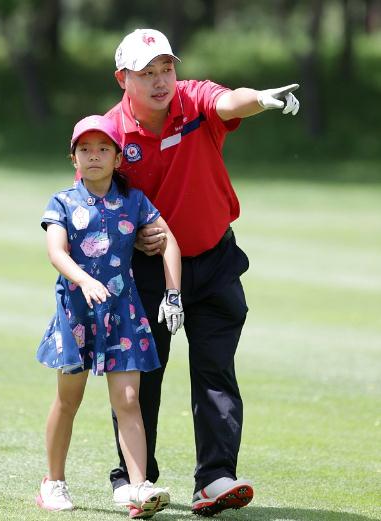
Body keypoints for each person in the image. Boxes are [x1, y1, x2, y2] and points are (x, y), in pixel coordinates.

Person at [98, 28, 301, 518]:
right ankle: (135, 481)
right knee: (142, 378)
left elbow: (230, 103)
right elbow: (96, 208)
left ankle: (215, 478)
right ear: (123, 78)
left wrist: (261, 98)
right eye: (147, 73)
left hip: (214, 260)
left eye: (166, 68)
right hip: (147, 273)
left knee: (215, 372)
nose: (161, 80)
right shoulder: (110, 132)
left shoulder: (193, 100)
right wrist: (132, 235)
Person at [35, 114, 184, 518]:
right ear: (73, 158)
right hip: (77, 313)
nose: (94, 156)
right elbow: (56, 253)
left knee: (129, 399)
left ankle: (138, 489)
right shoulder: (62, 202)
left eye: (103, 149)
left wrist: (173, 294)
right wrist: (83, 280)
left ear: (119, 158)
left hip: (123, 312)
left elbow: (167, 239)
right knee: (70, 399)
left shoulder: (134, 201)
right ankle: (53, 483)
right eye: (85, 149)